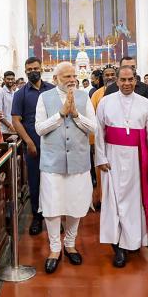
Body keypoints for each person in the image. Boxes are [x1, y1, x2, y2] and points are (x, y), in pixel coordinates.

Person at [95, 65, 148, 267]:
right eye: (122, 80)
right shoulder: (106, 102)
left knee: (133, 202)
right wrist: (101, 158)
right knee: (113, 202)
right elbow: (99, 132)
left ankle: (131, 241)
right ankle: (117, 246)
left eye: (130, 80)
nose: (126, 84)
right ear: (116, 81)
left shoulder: (145, 104)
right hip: (112, 157)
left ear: (136, 80)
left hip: (136, 159)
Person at [34, 62, 97, 273]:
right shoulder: (44, 98)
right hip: (53, 161)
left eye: (73, 75)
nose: (71, 79)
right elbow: (40, 129)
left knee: (75, 204)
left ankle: (70, 244)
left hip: (78, 161)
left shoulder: (84, 96)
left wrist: (76, 115)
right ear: (56, 79)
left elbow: (94, 127)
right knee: (52, 206)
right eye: (66, 76)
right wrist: (61, 114)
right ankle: (54, 248)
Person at [11, 56, 56, 235]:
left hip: (53, 144)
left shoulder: (52, 90)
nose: (32, 72)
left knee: (54, 181)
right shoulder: (20, 94)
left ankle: (55, 217)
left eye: (35, 68)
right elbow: (16, 120)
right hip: (33, 145)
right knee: (35, 182)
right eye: (29, 70)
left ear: (41, 68)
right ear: (25, 71)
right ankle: (37, 217)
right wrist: (28, 142)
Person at [0, 70, 17, 136]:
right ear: (4, 80)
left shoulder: (14, 93)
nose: (10, 81)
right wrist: (10, 126)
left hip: (14, 127)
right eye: (8, 79)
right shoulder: (0, 93)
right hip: (4, 129)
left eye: (12, 79)